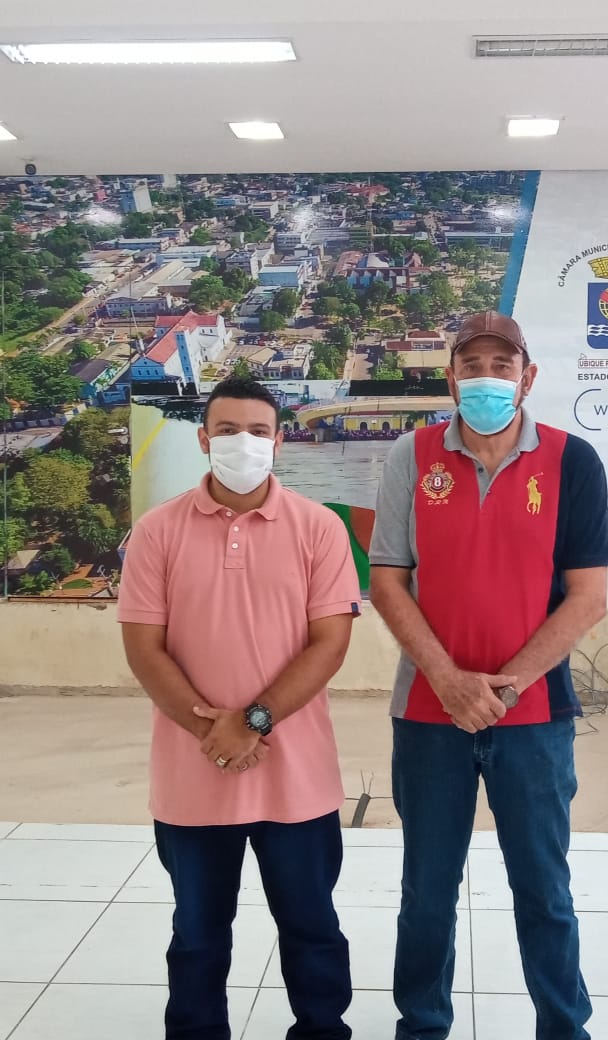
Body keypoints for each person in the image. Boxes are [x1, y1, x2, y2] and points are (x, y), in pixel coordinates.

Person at [369, 311, 608, 1040]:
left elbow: (588, 597)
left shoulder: (572, 461)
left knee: (544, 890)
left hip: (534, 717)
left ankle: (563, 1028)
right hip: (428, 713)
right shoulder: (411, 456)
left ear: (526, 377)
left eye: (500, 366)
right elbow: (387, 580)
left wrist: (504, 685)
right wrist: (447, 679)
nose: (485, 378)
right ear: (450, 380)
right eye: (470, 366)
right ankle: (422, 1025)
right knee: (427, 891)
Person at [118, 376, 361, 1040]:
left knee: (311, 927)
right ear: (203, 439)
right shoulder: (156, 532)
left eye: (258, 431)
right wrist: (214, 733)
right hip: (192, 779)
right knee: (198, 935)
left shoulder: (319, 528)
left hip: (297, 780)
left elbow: (330, 643)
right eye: (227, 431)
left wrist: (251, 722)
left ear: (279, 442)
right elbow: (144, 649)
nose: (243, 443)